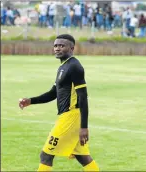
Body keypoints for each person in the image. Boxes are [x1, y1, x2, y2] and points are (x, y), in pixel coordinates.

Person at [18, 34, 100, 171]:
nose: (57, 48)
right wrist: (30, 101)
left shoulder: (75, 67)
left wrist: (84, 127)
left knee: (46, 155)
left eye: (61, 46)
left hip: (71, 117)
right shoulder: (63, 66)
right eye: (55, 45)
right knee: (82, 157)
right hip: (68, 116)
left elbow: (83, 98)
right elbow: (53, 93)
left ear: (72, 48)